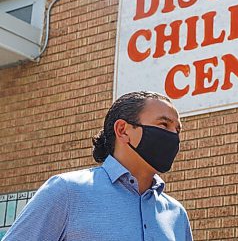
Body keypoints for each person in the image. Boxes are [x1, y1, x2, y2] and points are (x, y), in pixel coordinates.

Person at [3, 91, 193, 241]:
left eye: (177, 130)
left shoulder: (176, 214)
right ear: (123, 130)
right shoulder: (67, 191)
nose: (173, 137)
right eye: (163, 125)